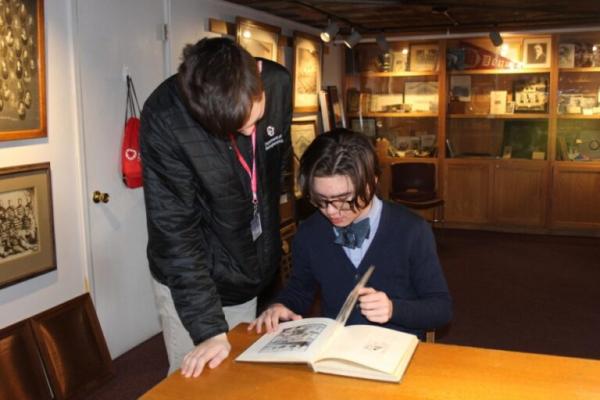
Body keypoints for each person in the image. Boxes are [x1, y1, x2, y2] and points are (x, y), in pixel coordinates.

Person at [140, 37, 292, 378]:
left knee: (241, 371)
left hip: (246, 265)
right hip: (193, 275)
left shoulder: (279, 83)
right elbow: (175, 233)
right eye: (239, 128)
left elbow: (273, 170)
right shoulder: (165, 118)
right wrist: (208, 329)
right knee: (196, 378)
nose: (251, 131)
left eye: (255, 119)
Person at [249, 129, 451, 340]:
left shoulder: (412, 231)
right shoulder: (311, 232)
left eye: (343, 200)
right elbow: (300, 290)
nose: (331, 211)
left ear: (371, 183)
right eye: (320, 200)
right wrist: (281, 305)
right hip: (336, 348)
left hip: (396, 349)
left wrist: (393, 309)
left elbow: (441, 308)